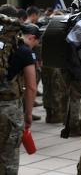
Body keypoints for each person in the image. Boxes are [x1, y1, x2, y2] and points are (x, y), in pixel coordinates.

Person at [0, 19, 38, 175]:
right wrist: (28, 114)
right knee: (9, 158)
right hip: (9, 111)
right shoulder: (23, 51)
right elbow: (31, 86)